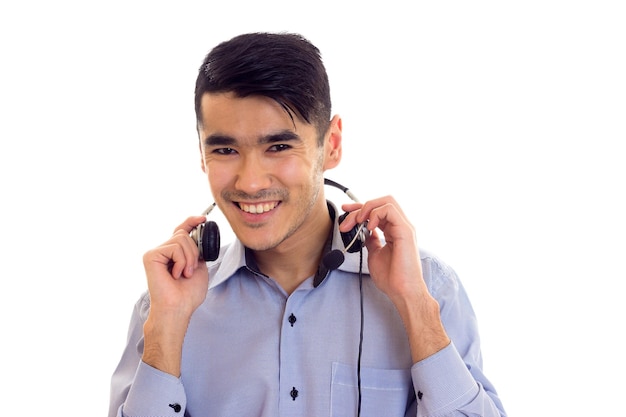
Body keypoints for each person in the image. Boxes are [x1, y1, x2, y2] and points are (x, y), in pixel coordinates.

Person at [108, 32, 507, 417]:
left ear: (330, 144)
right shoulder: (162, 306)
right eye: (225, 150)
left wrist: (415, 307)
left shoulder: (429, 287)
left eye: (278, 147)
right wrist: (166, 330)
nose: (250, 182)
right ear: (201, 153)